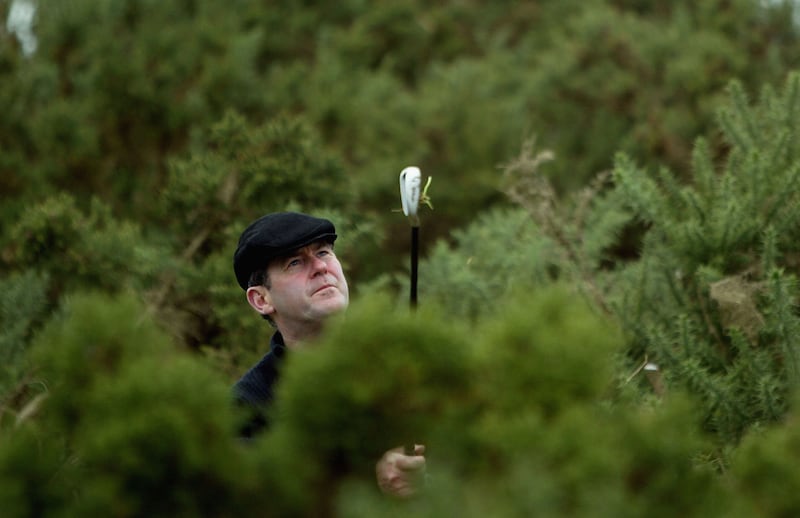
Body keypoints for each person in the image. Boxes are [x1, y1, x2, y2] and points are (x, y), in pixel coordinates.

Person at [231, 211, 427, 498]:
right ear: (261, 299)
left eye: (323, 252)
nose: (320, 266)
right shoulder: (245, 408)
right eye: (295, 262)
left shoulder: (403, 365)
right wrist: (367, 477)